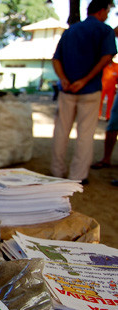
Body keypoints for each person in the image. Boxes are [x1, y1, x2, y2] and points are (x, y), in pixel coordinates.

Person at [50, 0, 117, 185]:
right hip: (89, 90)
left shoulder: (70, 31)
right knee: (85, 134)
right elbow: (107, 56)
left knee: (61, 131)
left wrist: (63, 79)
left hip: (67, 90)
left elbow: (56, 59)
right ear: (102, 11)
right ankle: (78, 176)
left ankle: (57, 171)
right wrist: (85, 80)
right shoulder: (105, 30)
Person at [98, 55, 118, 120]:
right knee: (99, 101)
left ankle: (108, 116)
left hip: (111, 87)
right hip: (102, 86)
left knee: (110, 102)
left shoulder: (116, 66)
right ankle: (98, 114)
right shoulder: (103, 65)